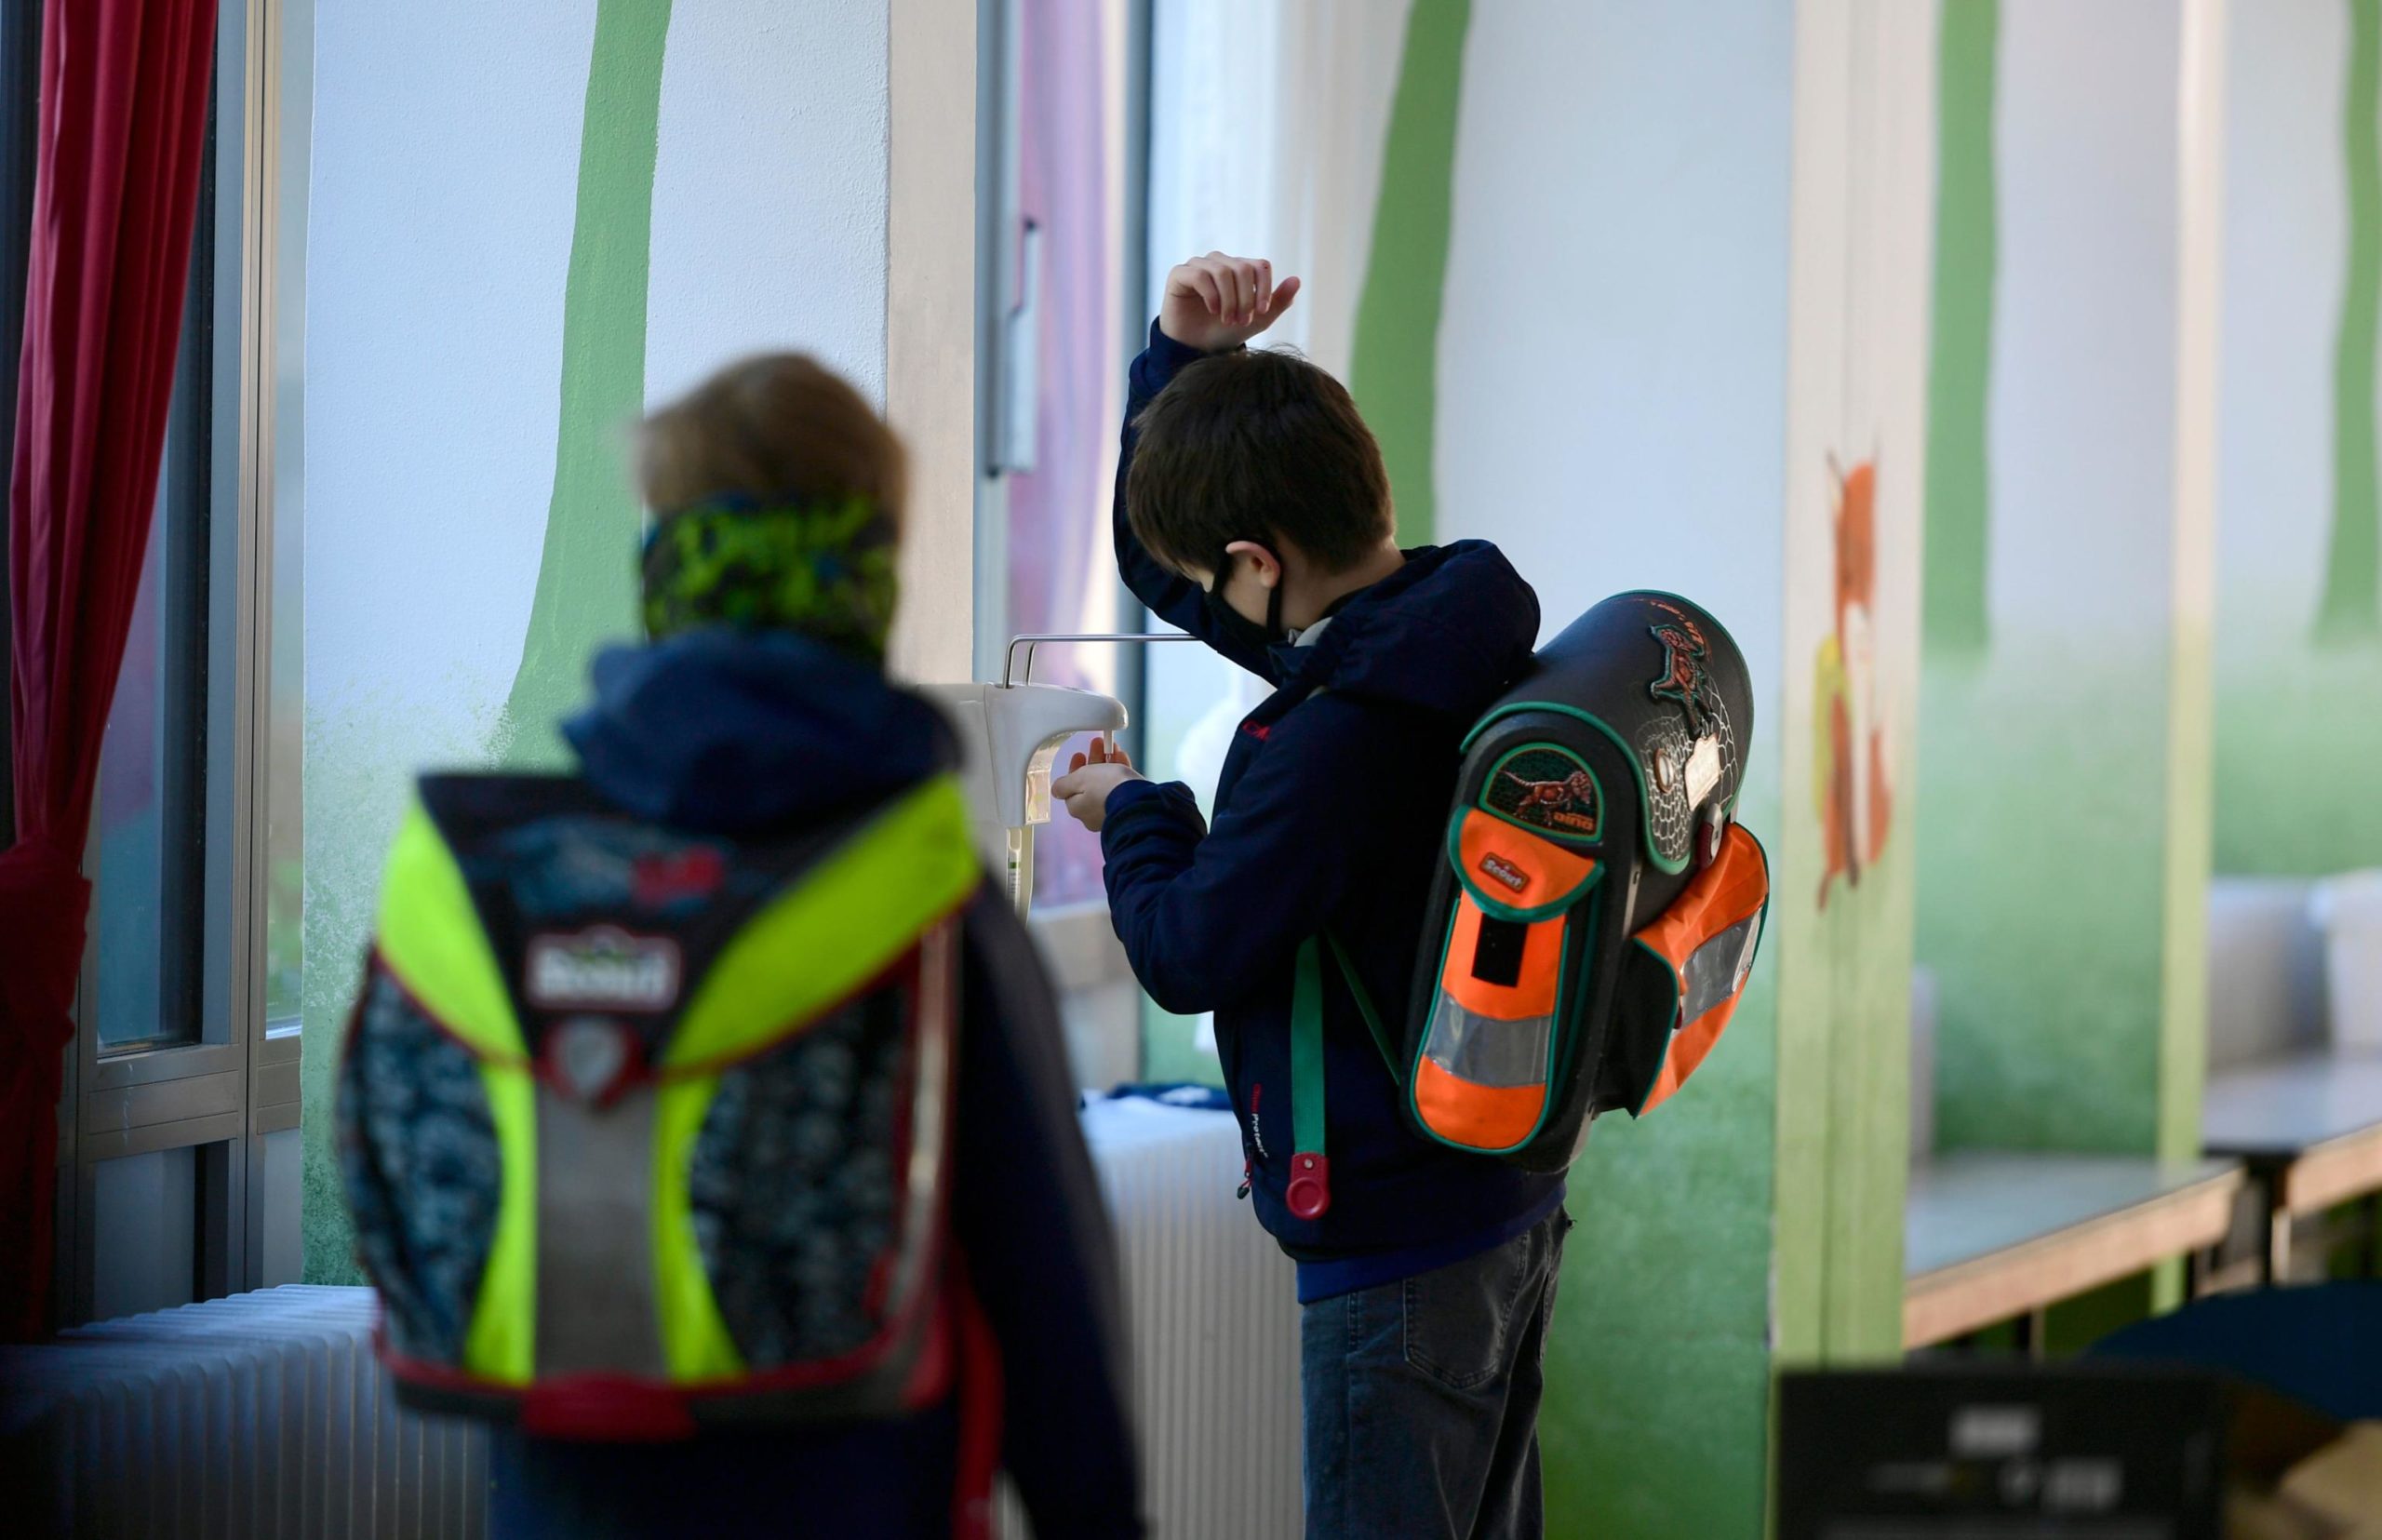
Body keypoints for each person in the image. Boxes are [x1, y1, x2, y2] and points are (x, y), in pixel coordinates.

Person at [346, 354, 1143, 1540]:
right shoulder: (919, 892)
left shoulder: (501, 886)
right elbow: (1044, 1273)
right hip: (853, 1488)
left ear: (664, 569)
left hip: (563, 1498)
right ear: (867, 579)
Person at [1052, 254, 1570, 1540]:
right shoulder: (1444, 623)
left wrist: (1135, 811)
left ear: (1257, 560)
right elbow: (1162, 562)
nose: (1200, 598)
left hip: (1394, 1239)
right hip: (1500, 1191)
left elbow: (1188, 946)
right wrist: (1185, 359)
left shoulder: (1336, 736)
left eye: (1218, 572)